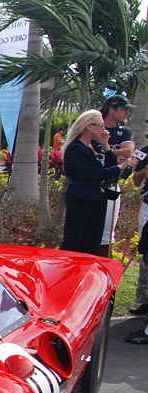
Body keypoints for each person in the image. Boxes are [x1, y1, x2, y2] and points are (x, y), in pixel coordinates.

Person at [59, 110, 134, 255]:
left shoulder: (94, 146)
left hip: (98, 197)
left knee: (93, 240)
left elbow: (108, 168)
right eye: (100, 125)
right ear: (88, 126)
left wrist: (106, 146)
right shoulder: (75, 148)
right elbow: (90, 174)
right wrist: (120, 167)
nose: (103, 129)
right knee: (75, 238)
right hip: (81, 196)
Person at [100, 94, 136, 257]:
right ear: (111, 109)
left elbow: (128, 151)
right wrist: (114, 156)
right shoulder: (94, 127)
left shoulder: (124, 132)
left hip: (111, 185)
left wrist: (104, 153)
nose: (127, 113)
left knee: (107, 236)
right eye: (124, 109)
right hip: (90, 185)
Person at [128, 143, 148, 318]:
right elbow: (135, 181)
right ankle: (144, 300)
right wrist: (144, 172)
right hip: (147, 206)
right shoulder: (144, 151)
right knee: (146, 252)